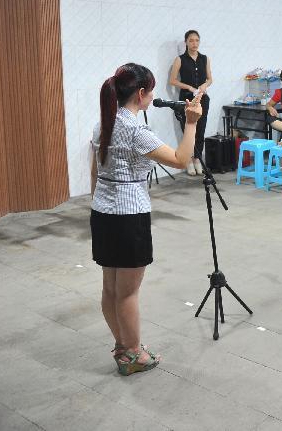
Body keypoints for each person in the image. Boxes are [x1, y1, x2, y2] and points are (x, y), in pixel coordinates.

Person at [91, 63, 204, 376]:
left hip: (103, 211)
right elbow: (182, 161)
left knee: (111, 289)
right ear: (141, 95)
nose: (153, 95)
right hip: (128, 215)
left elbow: (95, 169)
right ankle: (135, 354)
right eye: (151, 90)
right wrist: (191, 122)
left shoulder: (104, 123)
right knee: (127, 292)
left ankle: (122, 346)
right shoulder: (135, 131)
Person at [167, 30, 212, 175]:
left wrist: (205, 85)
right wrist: (189, 87)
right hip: (186, 99)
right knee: (188, 131)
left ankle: (198, 159)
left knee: (201, 130)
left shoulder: (205, 58)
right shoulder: (180, 59)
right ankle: (189, 160)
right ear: (186, 42)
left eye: (197, 40)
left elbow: (210, 79)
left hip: (202, 99)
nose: (194, 43)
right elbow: (172, 81)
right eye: (191, 40)